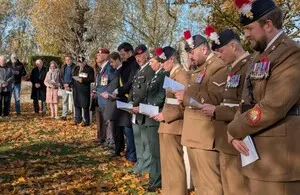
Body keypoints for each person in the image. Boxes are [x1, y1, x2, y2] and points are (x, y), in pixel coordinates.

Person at [227, 0, 300, 194]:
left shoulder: (290, 53)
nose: (246, 35)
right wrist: (234, 130)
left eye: (250, 28)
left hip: (278, 161)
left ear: (268, 25)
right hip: (257, 155)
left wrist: (234, 128)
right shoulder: (259, 56)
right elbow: (246, 102)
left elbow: (274, 105)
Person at [174, 30, 227, 195]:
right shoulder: (200, 69)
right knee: (199, 184)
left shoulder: (217, 66)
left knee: (210, 184)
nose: (190, 57)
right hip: (194, 133)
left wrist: (186, 96)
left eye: (192, 52)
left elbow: (214, 97)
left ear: (204, 49)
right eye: (188, 53)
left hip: (205, 134)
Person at [200, 28, 251, 194]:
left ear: (234, 46)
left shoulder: (249, 66)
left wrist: (216, 111)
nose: (218, 55)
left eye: (220, 51)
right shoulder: (231, 70)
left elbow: (247, 107)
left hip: (239, 137)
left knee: (238, 188)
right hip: (225, 137)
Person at [151, 46, 189, 195]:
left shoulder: (181, 75)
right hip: (167, 125)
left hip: (174, 125)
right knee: (167, 164)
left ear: (172, 59)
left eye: (163, 61)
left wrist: (165, 116)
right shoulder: (172, 75)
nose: (161, 64)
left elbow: (183, 103)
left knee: (174, 164)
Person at [134, 49, 167, 192]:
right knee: (153, 152)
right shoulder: (155, 76)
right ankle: (153, 178)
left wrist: (145, 107)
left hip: (154, 117)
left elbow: (161, 97)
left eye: (152, 61)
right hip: (149, 116)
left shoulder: (164, 76)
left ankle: (156, 180)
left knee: (155, 152)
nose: (150, 64)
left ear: (160, 63)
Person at [111, 42, 139, 162]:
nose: (121, 57)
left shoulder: (133, 64)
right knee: (124, 128)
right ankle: (129, 153)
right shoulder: (125, 64)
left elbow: (130, 82)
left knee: (129, 129)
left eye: (123, 54)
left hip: (129, 98)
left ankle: (132, 155)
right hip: (123, 98)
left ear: (129, 52)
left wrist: (119, 90)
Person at [129, 44, 155, 174]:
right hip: (135, 112)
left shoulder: (150, 71)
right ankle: (139, 165)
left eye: (140, 56)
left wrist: (138, 106)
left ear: (146, 54)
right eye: (136, 57)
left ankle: (145, 168)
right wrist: (129, 103)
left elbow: (149, 92)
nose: (138, 59)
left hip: (143, 111)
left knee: (146, 143)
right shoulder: (138, 71)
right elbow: (133, 90)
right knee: (138, 141)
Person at [101, 52, 123, 157]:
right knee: (114, 128)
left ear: (118, 59)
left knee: (117, 129)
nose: (111, 64)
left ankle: (118, 149)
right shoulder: (116, 71)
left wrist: (112, 94)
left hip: (116, 102)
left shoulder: (121, 71)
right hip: (111, 100)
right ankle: (117, 149)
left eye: (112, 62)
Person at [95, 48, 115, 147]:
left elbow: (112, 82)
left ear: (106, 55)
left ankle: (111, 142)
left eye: (99, 54)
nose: (97, 56)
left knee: (109, 122)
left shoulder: (109, 67)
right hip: (101, 99)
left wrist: (109, 94)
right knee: (106, 121)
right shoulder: (102, 68)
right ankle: (107, 140)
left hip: (107, 99)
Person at [72, 56, 94, 126]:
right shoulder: (76, 68)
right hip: (76, 89)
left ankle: (86, 121)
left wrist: (83, 80)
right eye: (79, 62)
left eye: (81, 62)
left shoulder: (89, 69)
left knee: (85, 105)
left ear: (85, 62)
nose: (80, 64)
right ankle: (78, 119)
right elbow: (73, 76)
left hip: (84, 90)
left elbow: (91, 79)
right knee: (77, 105)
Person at [60, 55, 76, 120]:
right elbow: (61, 76)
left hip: (72, 86)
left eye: (69, 59)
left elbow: (74, 77)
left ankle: (75, 116)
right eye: (66, 60)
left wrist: (69, 84)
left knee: (73, 102)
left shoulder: (75, 67)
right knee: (64, 101)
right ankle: (64, 115)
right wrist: (64, 84)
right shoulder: (63, 67)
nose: (68, 61)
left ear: (72, 60)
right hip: (64, 87)